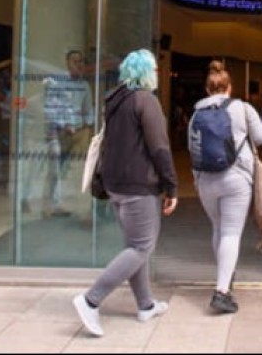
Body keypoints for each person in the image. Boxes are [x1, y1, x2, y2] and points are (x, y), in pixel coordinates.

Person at [72, 48, 178, 338]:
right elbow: (159, 147)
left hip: (115, 185)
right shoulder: (146, 100)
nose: (157, 73)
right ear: (145, 72)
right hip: (138, 185)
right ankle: (91, 300)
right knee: (142, 247)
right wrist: (171, 186)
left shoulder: (115, 100)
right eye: (154, 69)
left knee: (135, 245)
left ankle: (145, 305)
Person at [188, 60, 262, 314]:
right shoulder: (242, 108)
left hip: (205, 179)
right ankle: (222, 291)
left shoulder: (196, 113)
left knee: (218, 228)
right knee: (231, 233)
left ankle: (225, 275)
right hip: (236, 178)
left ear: (207, 88)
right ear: (229, 87)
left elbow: (192, 147)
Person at [40, 49, 94, 218]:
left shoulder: (85, 86)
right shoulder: (57, 82)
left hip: (77, 133)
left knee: (71, 171)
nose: (78, 64)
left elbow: (89, 110)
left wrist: (86, 124)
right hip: (58, 132)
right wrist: (65, 125)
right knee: (54, 170)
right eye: (74, 61)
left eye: (81, 61)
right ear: (67, 63)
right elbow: (51, 108)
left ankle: (62, 205)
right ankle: (49, 206)